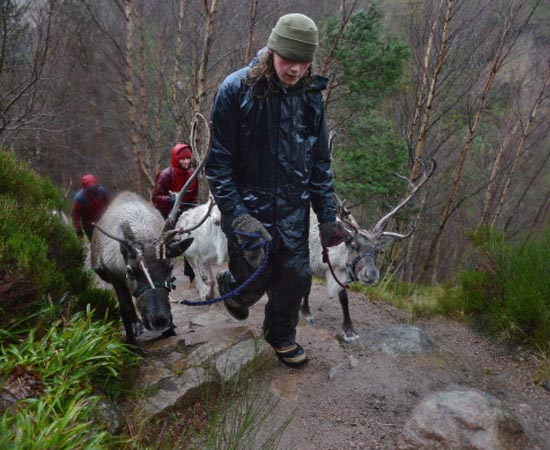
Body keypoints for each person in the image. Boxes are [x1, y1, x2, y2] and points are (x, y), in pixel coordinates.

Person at [205, 13, 347, 368]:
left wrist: (327, 216)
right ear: (271, 51)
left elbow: (319, 162)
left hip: (293, 212)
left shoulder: (313, 97)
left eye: (304, 62)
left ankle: (281, 335)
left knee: (297, 278)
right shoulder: (235, 90)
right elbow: (218, 165)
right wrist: (237, 216)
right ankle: (234, 290)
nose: (296, 70)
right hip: (248, 212)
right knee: (252, 280)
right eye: (288, 60)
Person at [152, 143, 199, 282]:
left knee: (189, 240)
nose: (186, 162)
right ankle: (162, 274)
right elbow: (155, 197)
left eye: (188, 159)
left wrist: (193, 210)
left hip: (185, 212)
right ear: (175, 159)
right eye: (182, 159)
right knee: (165, 244)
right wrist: (171, 200)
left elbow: (194, 195)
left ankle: (191, 274)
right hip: (166, 214)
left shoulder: (192, 174)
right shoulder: (166, 175)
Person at [72, 174, 110, 240]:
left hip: (103, 220)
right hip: (89, 225)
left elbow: (108, 203)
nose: (93, 190)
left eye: (94, 188)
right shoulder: (80, 199)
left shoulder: (101, 190)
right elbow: (75, 216)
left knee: (107, 239)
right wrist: (78, 229)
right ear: (85, 189)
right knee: (95, 242)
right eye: (90, 189)